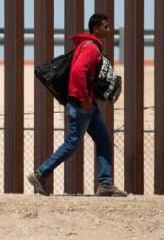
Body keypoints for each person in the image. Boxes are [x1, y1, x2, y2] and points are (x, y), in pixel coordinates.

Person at [27, 13, 127, 197]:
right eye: (106, 26)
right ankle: (40, 174)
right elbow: (77, 72)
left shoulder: (88, 46)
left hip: (88, 104)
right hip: (82, 103)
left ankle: (105, 183)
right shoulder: (90, 48)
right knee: (73, 142)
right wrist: (84, 98)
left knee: (104, 141)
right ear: (96, 28)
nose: (109, 30)